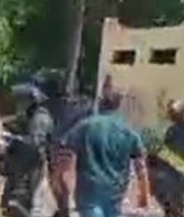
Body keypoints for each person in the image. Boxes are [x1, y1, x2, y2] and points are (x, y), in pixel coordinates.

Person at [64, 87, 151, 217]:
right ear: (119, 106)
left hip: (89, 192)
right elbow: (141, 168)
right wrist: (144, 196)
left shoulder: (83, 127)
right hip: (115, 194)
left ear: (100, 103)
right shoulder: (129, 133)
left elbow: (66, 159)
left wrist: (62, 185)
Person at [35, 71, 93, 217]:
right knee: (62, 181)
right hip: (74, 148)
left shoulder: (51, 106)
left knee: (57, 180)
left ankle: (64, 209)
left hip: (59, 147)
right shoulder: (83, 105)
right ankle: (64, 208)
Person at [0, 82, 54, 217]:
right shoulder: (29, 115)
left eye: (21, 100)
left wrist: (14, 138)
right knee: (11, 202)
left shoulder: (40, 118)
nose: (19, 104)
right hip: (20, 166)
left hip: (31, 167)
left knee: (21, 202)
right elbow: (15, 123)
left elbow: (35, 144)